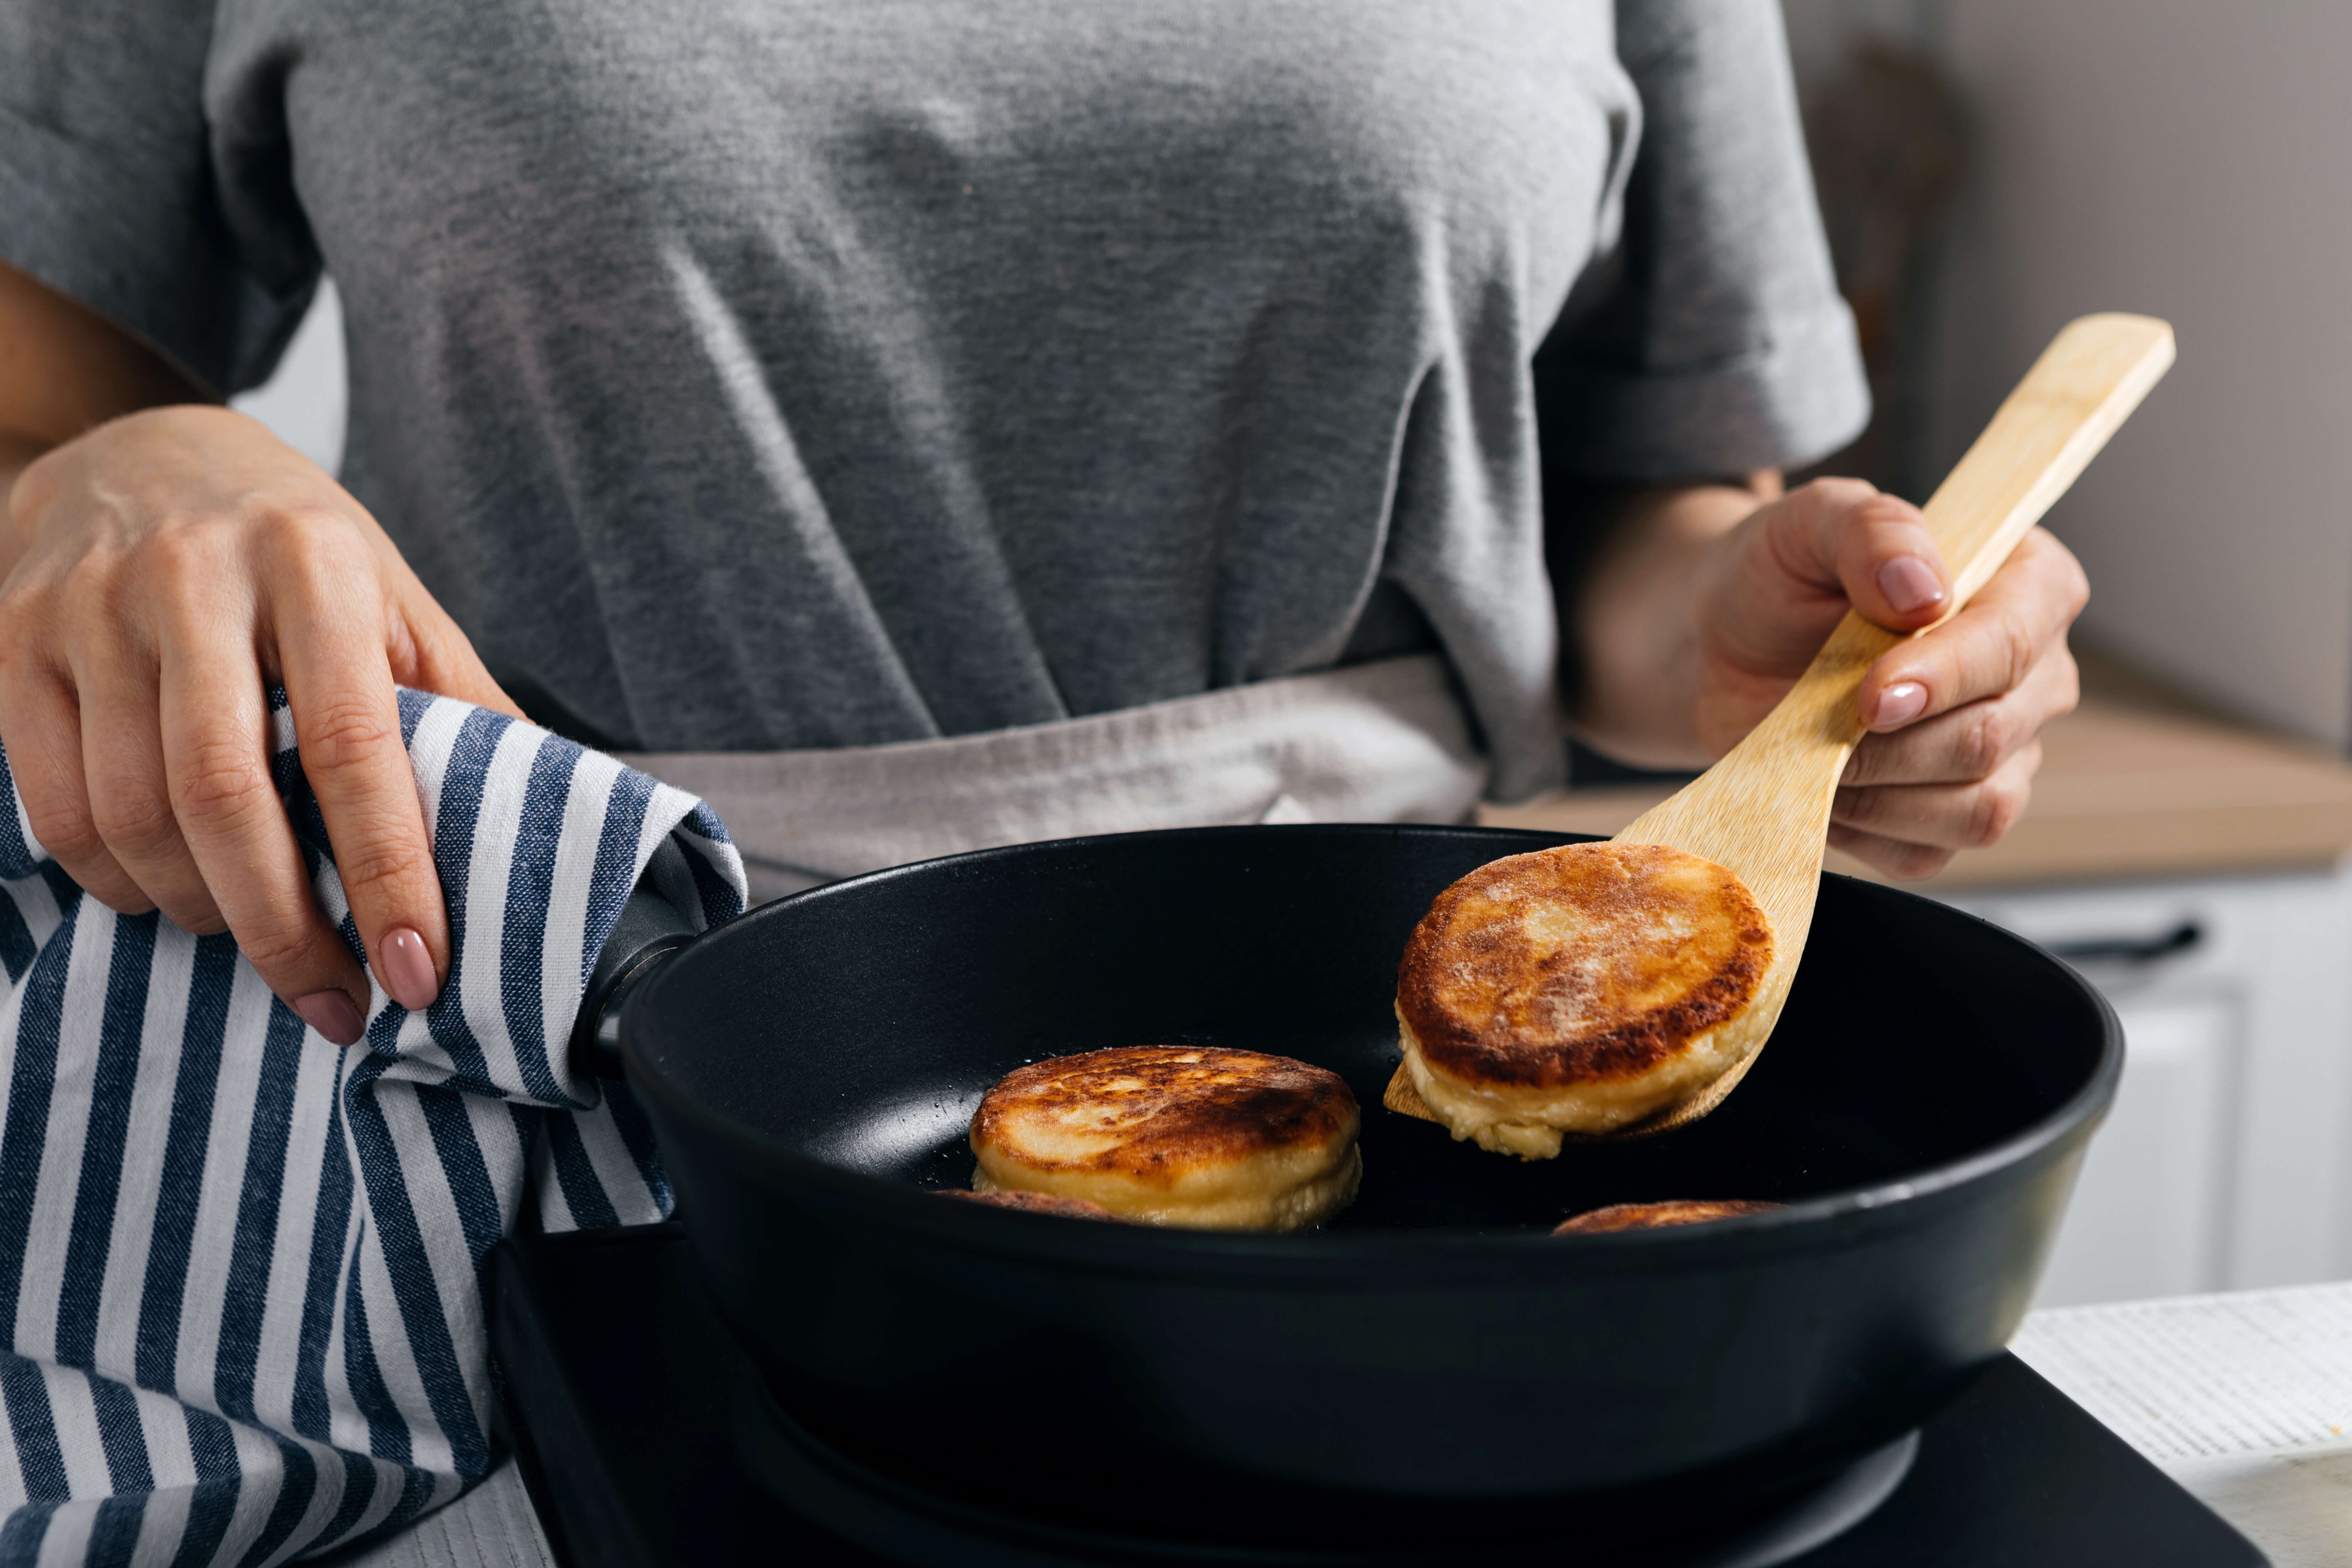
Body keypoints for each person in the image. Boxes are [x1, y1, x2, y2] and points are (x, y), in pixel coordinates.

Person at [0, 2, 2085, 1547]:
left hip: (1419, 1144)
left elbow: (1650, 504)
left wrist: (1765, 645)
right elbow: (34, 427)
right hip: (535, 1133)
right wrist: (94, 466)